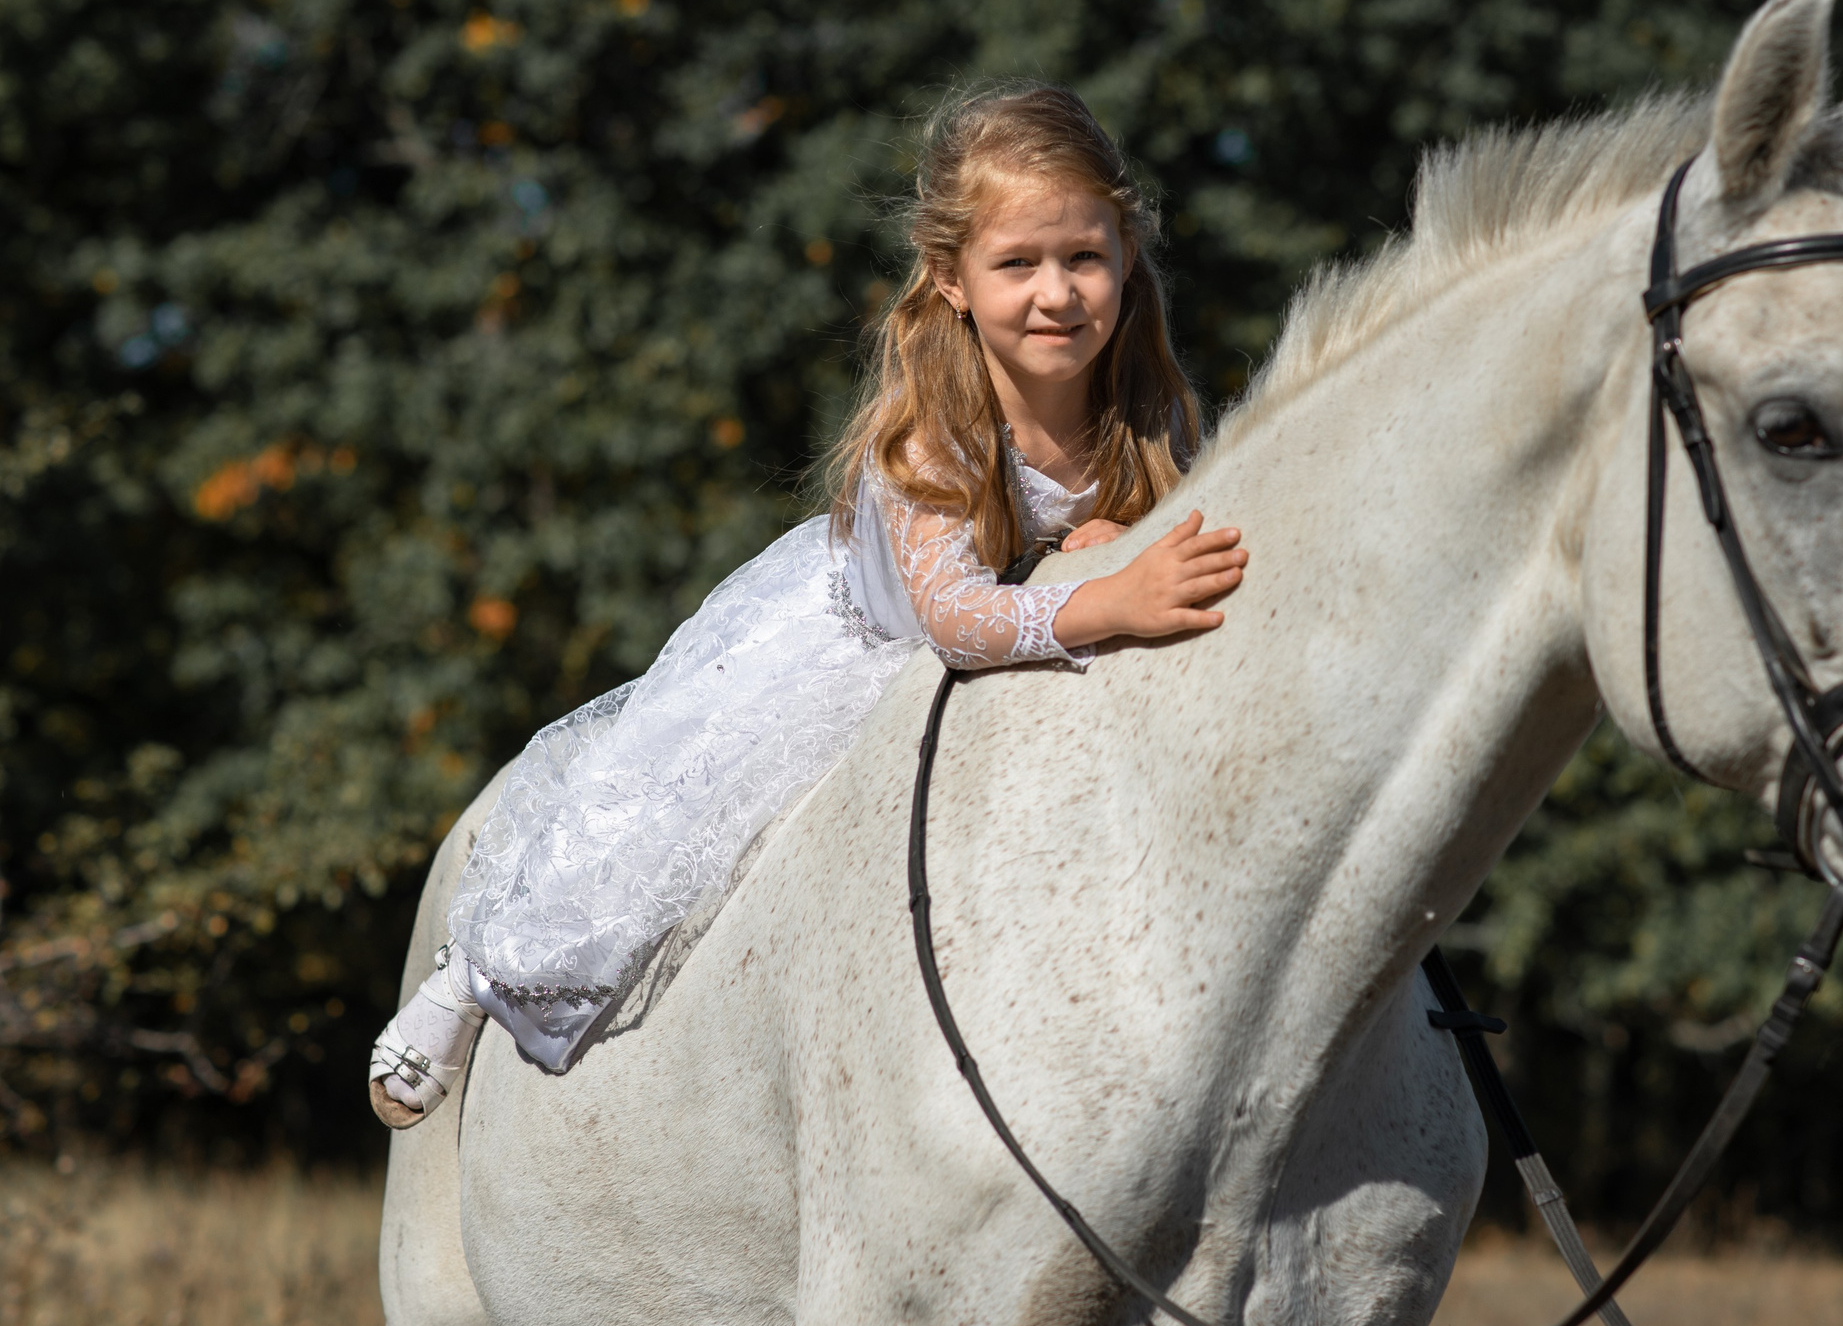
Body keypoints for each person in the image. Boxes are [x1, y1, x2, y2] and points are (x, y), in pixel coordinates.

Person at [368, 84, 1248, 1127]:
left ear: (1125, 257)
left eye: (1084, 258)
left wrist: (1128, 541)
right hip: (852, 655)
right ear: (952, 280)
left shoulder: (1148, 417)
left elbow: (1171, 554)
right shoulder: (936, 432)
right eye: (1018, 264)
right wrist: (1104, 595)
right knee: (650, 831)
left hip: (1015, 681)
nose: (1056, 293)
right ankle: (473, 976)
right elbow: (956, 623)